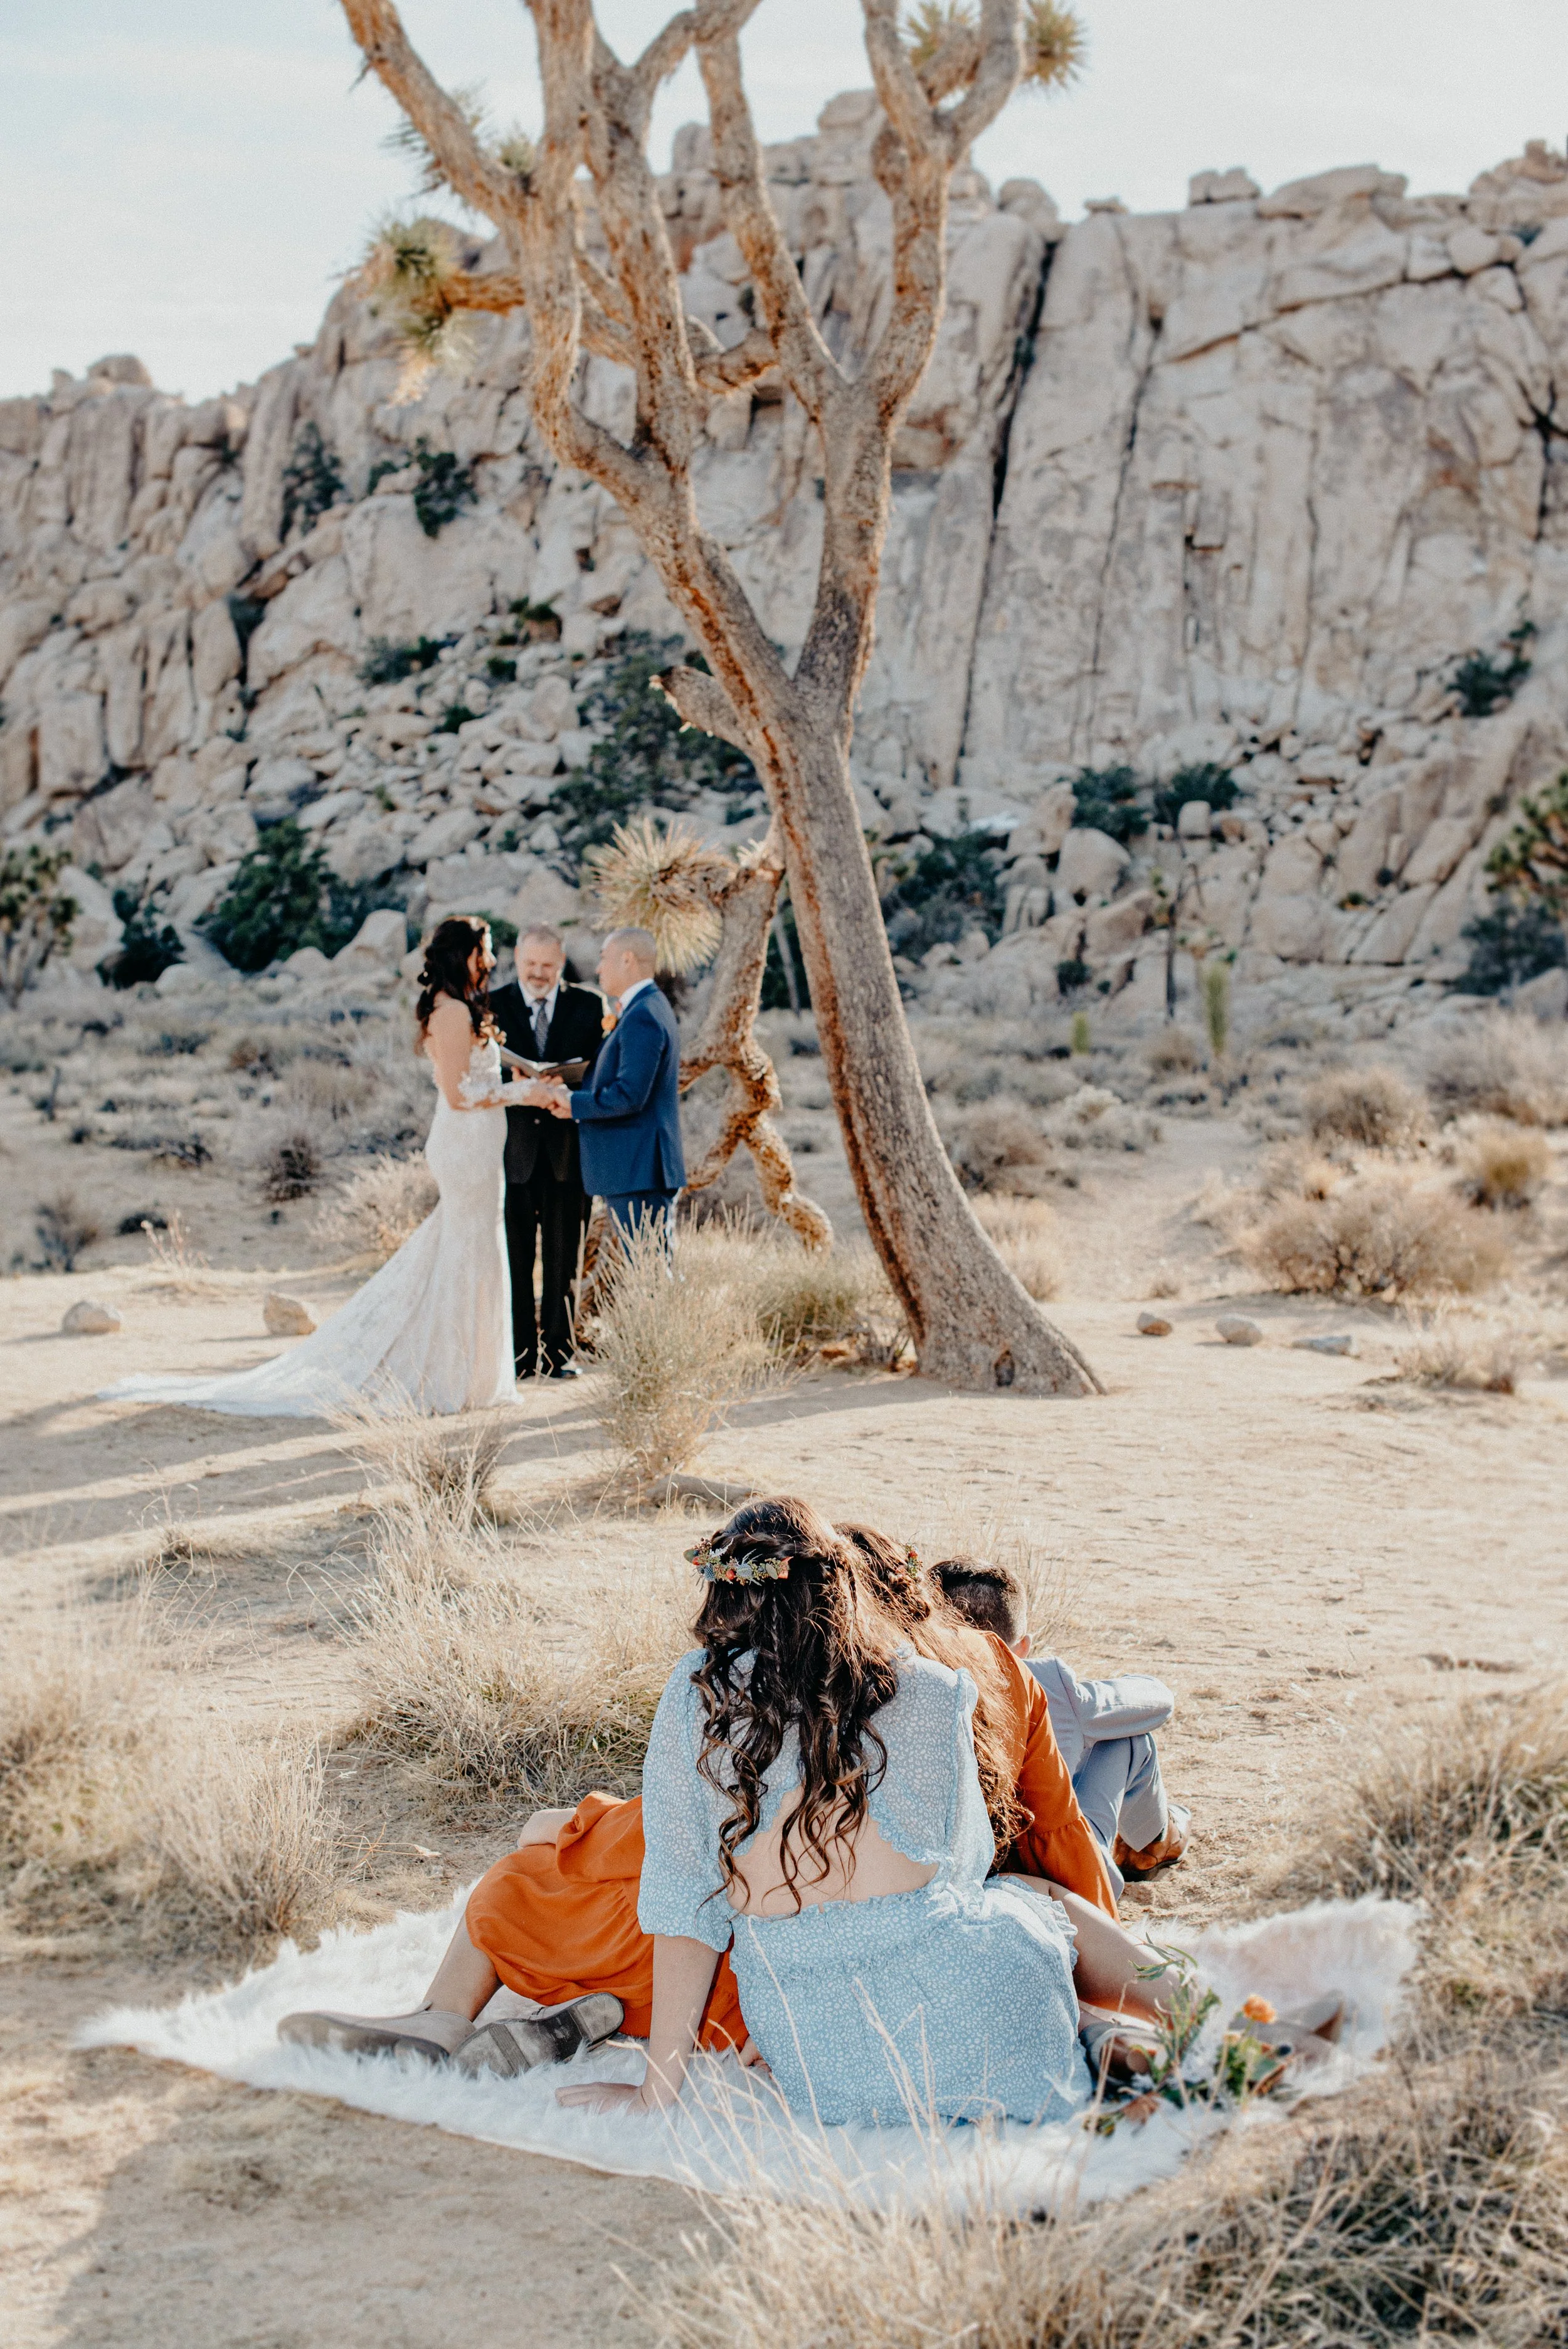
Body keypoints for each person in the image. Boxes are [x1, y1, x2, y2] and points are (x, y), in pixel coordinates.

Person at [278, 1517, 1187, 2085]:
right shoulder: (968, 1684)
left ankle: (461, 2013)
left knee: (518, 1879)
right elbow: (1046, 1838)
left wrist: (571, 1828)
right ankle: (1113, 2024)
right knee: (1030, 1922)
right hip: (793, 2002)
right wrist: (1098, 1944)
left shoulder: (727, 1707)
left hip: (693, 1966)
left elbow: (668, 1852)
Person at [557, 1498, 1093, 2129]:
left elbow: (682, 1900)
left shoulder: (694, 1694)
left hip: (823, 2062)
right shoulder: (933, 1688)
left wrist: (658, 2090)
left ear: (723, 1593)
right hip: (992, 2031)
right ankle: (1126, 2023)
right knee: (1022, 1903)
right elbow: (963, 1869)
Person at [101, 916, 523, 1420]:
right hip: (466, 1146)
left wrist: (522, 1073)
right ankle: (455, 1375)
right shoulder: (451, 1010)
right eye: (485, 951)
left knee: (472, 1249)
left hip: (478, 1147)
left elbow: (474, 1068)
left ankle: (471, 1372)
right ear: (464, 955)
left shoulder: (457, 1008)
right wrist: (526, 1092)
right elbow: (459, 1094)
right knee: (466, 1250)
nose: (492, 961)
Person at [931, 1557, 1190, 1896]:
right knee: (1128, 1740)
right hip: (1057, 1874)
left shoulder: (905, 1685)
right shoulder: (1047, 1684)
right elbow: (1158, 1702)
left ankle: (1151, 1843)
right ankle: (1154, 1844)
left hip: (942, 1867)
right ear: (1023, 1647)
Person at [486, 925, 604, 1379]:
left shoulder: (589, 1004)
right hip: (510, 1153)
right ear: (516, 958)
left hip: (566, 1152)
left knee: (564, 1258)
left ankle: (561, 1354)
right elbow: (477, 1074)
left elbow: (599, 1071)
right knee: (514, 1259)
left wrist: (568, 1083)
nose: (538, 974)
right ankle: (518, 1357)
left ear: (562, 961)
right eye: (530, 965)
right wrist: (512, 1086)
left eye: (548, 966)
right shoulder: (492, 1005)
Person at [528, 926, 684, 1241]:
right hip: (637, 1169)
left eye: (604, 958)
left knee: (647, 1271)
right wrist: (572, 1100)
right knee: (647, 1269)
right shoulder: (649, 1006)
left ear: (627, 960)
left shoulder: (643, 1016)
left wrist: (571, 1102)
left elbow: (629, 1096)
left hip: (639, 1172)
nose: (598, 968)